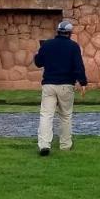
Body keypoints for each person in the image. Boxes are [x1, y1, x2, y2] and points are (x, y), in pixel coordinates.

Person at [33, 19, 87, 156]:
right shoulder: (74, 46)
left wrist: (36, 54)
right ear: (70, 33)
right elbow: (78, 66)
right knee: (66, 116)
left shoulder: (47, 45)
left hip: (49, 84)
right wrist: (83, 82)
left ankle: (44, 144)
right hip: (66, 85)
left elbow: (38, 63)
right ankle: (65, 145)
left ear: (58, 31)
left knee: (46, 115)